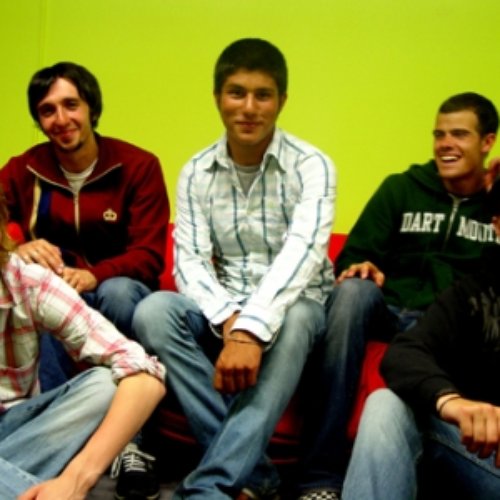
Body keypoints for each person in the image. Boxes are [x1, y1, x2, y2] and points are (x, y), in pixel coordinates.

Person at [133, 38, 336, 499]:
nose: (248, 107)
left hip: (295, 311)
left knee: (299, 314)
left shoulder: (313, 165)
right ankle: (257, 473)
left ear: (282, 100)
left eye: (263, 95)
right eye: (236, 93)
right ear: (217, 97)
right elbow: (188, 259)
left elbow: (303, 254)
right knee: (153, 311)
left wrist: (250, 330)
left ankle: (211, 484)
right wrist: (229, 321)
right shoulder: (196, 171)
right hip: (223, 311)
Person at [296, 92, 499, 497]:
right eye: (439, 135)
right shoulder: (401, 189)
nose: (445, 144)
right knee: (351, 294)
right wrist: (361, 266)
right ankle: (321, 475)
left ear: (487, 142)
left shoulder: (493, 208)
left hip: (447, 322)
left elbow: (487, 289)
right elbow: (351, 256)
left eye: (459, 134)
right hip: (389, 309)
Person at [0, 62, 170, 499]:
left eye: (70, 105)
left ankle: (133, 445)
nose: (61, 119)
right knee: (38, 291)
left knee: (117, 295)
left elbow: (150, 253)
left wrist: (94, 275)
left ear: (91, 107)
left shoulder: (137, 165)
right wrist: (20, 248)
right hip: (55, 287)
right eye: (47, 110)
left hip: (117, 286)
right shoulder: (23, 168)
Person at [342, 174, 500, 499]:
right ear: (497, 226)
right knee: (386, 403)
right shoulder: (475, 293)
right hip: (482, 456)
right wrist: (451, 402)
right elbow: (404, 352)